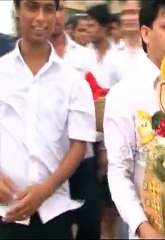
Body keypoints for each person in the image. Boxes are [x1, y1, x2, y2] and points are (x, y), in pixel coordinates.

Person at [0, 0, 96, 238]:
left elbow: (78, 145)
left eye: (48, 9)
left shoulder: (74, 82)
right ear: (18, 10)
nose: (41, 17)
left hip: (53, 214)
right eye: (32, 7)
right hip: (4, 211)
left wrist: (46, 189)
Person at [103, 0, 165, 238]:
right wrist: (143, 227)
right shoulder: (123, 95)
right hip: (152, 229)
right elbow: (119, 173)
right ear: (146, 33)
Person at [50, 1, 102, 239]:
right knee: (55, 225)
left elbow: (100, 100)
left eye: (59, 9)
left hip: (83, 155)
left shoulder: (85, 56)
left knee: (90, 222)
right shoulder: (29, 60)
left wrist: (103, 149)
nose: (55, 15)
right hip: (48, 160)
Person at [86, 4, 118, 89]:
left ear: (104, 27)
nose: (88, 30)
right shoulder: (83, 54)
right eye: (87, 26)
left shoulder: (119, 53)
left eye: (91, 26)